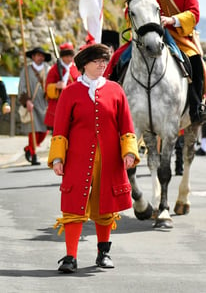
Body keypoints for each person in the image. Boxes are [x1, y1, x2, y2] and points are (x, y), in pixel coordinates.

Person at [47, 43, 140, 273]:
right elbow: (59, 130)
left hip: (109, 158)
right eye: (96, 61)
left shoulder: (116, 90)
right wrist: (58, 159)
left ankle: (103, 253)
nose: (102, 65)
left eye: (104, 61)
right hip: (77, 158)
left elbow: (126, 125)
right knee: (73, 205)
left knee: (106, 205)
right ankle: (70, 257)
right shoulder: (69, 93)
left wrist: (129, 151)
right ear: (84, 65)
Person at [107, 0, 206, 125]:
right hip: (147, 34)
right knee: (118, 58)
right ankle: (110, 104)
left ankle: (196, 108)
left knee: (196, 61)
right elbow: (130, 12)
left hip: (177, 36)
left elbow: (194, 14)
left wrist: (172, 20)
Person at [18, 46, 51, 165]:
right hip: (32, 102)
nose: (40, 57)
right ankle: (34, 154)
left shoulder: (48, 69)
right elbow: (22, 87)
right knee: (34, 131)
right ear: (33, 57)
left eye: (42, 55)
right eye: (38, 55)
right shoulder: (26, 71)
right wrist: (27, 101)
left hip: (45, 103)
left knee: (45, 131)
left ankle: (28, 148)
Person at [45, 42, 80, 130]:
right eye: (67, 56)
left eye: (70, 56)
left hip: (73, 103)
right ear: (62, 56)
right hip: (58, 103)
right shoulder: (54, 69)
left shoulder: (76, 69)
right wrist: (56, 86)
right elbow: (47, 88)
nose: (69, 58)